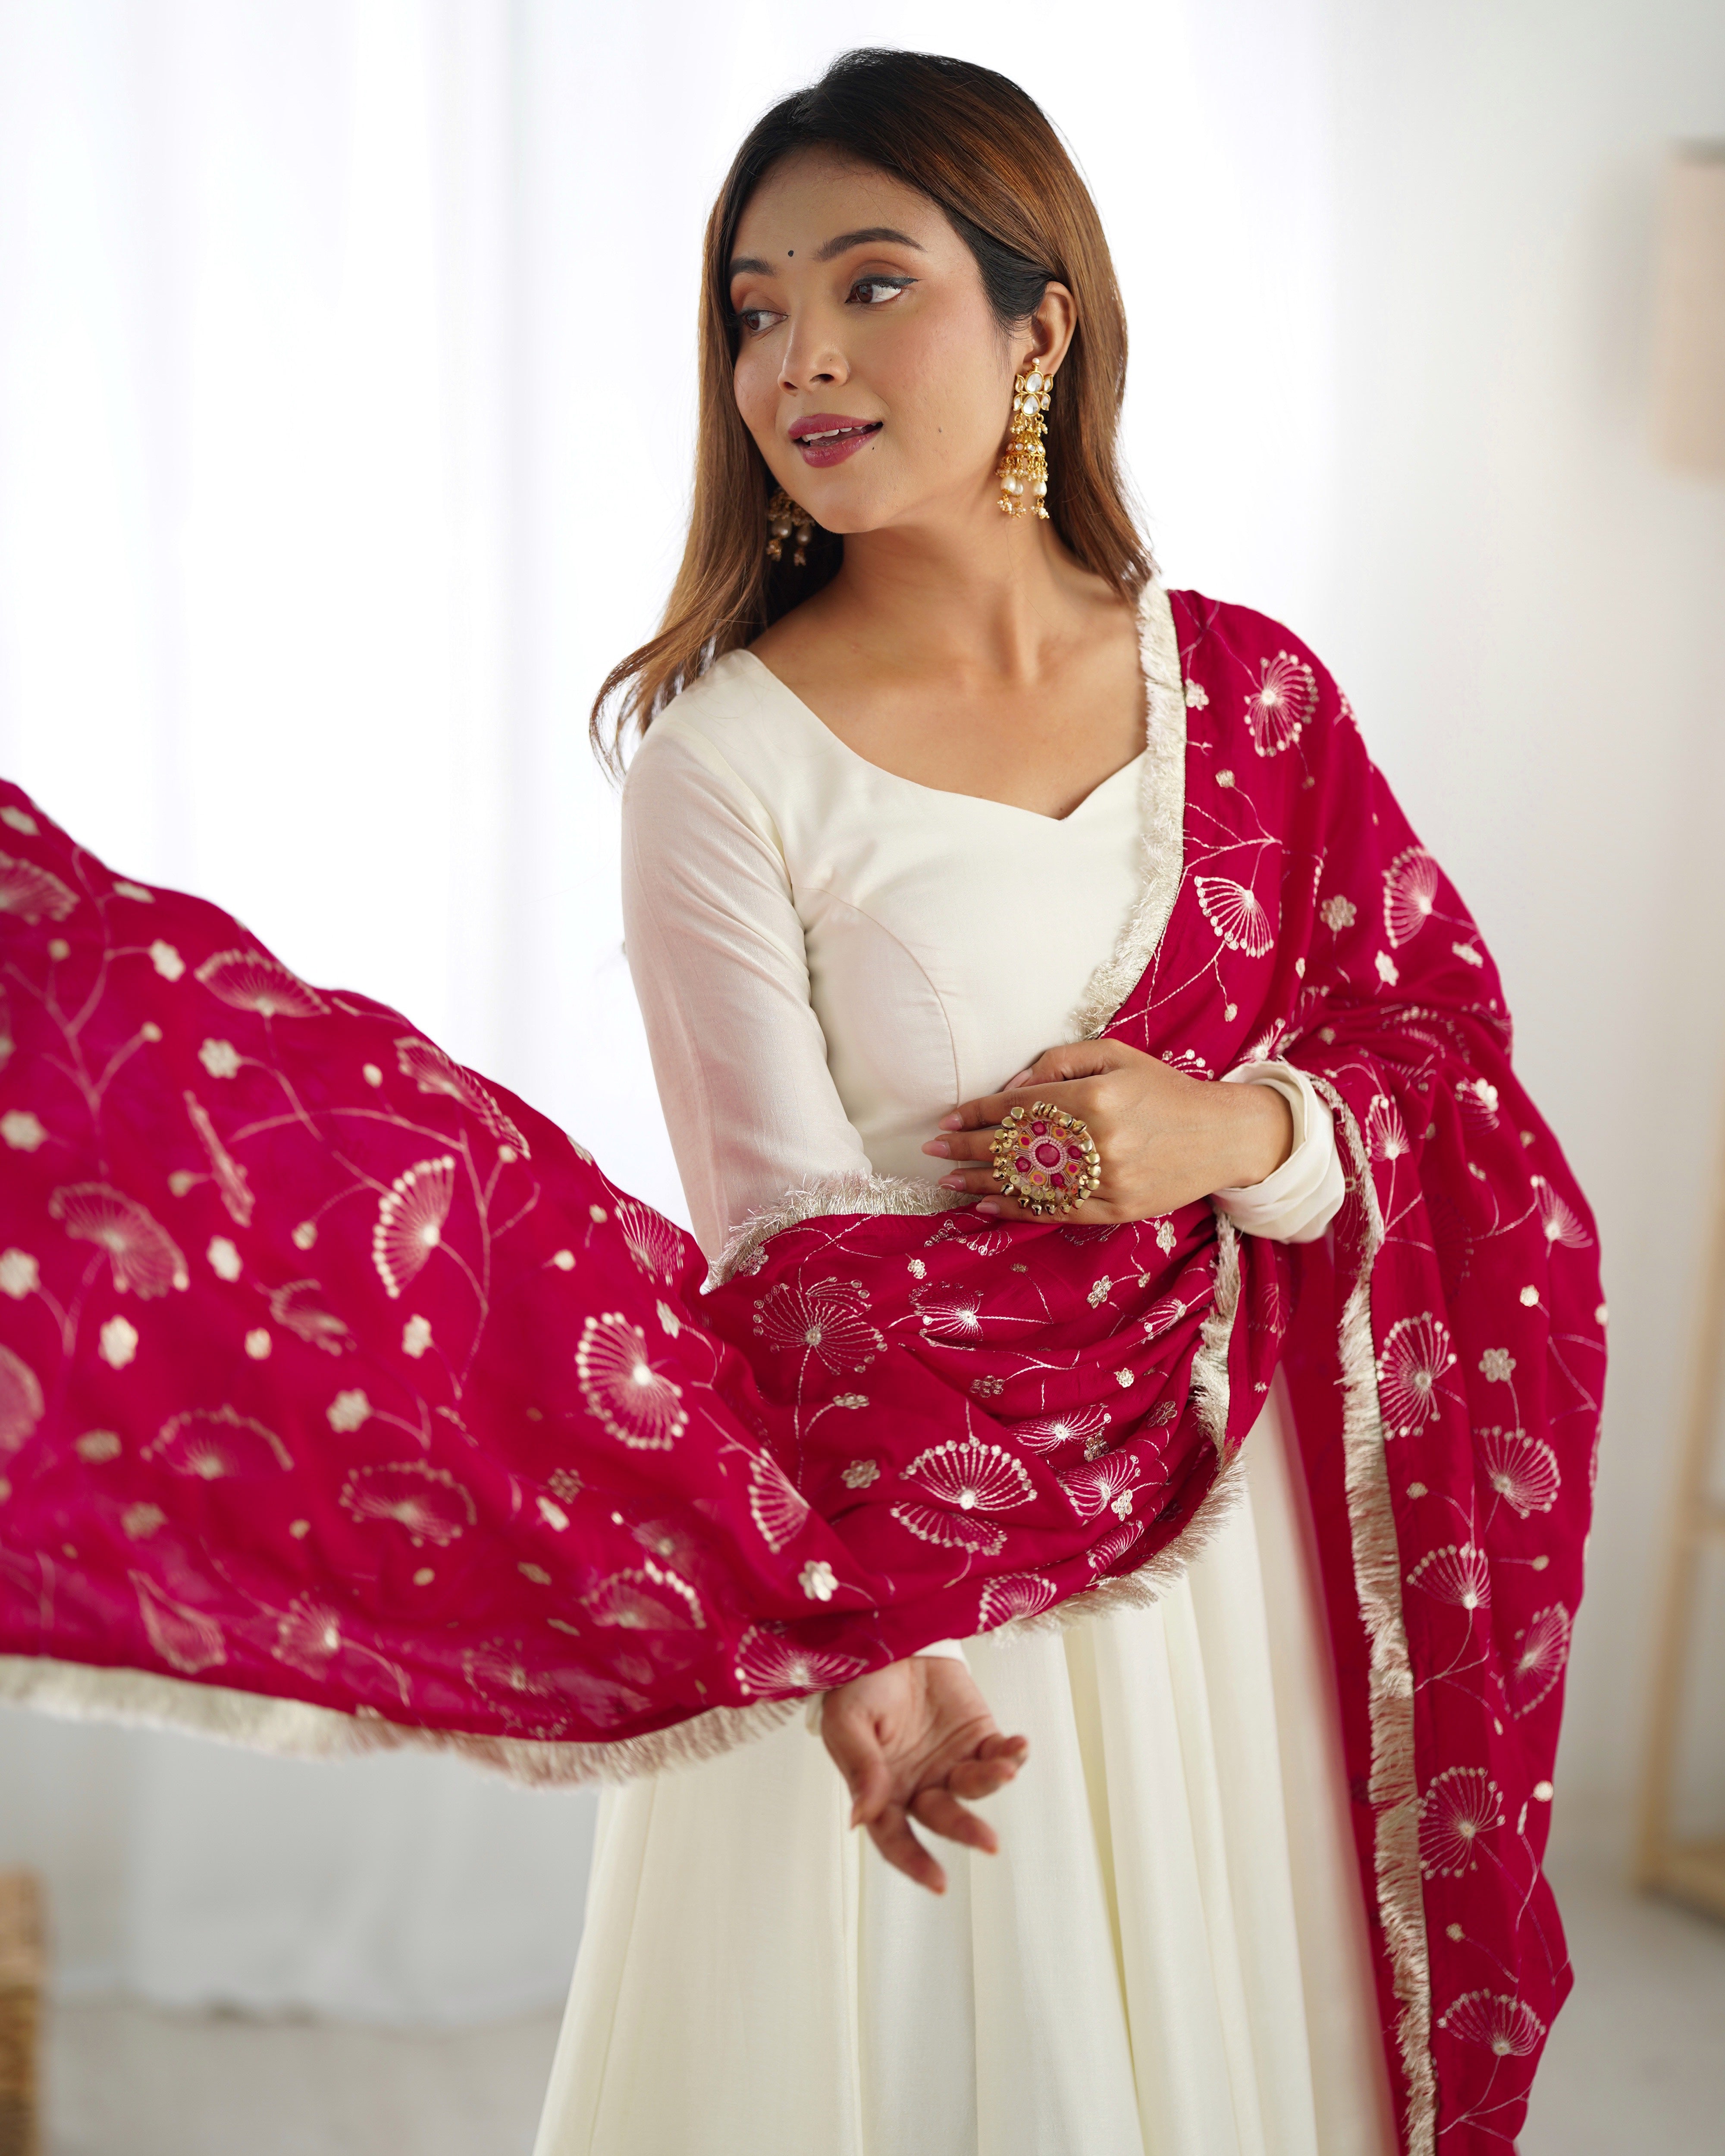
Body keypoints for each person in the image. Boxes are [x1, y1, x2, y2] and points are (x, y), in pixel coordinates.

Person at [533, 49, 1393, 2156]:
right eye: (750, 307)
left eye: (867, 286)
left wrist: (1230, 1135)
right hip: (914, 1557)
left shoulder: (1254, 695)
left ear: (1040, 327)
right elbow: (776, 1235)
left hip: (1217, 1535)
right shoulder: (721, 764)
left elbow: (1431, 1066)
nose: (795, 360)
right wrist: (870, 1629)